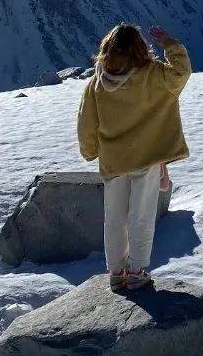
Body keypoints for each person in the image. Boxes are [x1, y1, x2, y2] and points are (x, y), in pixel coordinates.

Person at [77, 24, 192, 292]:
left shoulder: (97, 83)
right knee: (141, 215)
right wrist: (169, 43)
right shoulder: (152, 75)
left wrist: (90, 151)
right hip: (146, 157)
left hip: (113, 161)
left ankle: (117, 273)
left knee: (115, 218)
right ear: (140, 48)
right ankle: (138, 271)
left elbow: (86, 123)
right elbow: (181, 72)